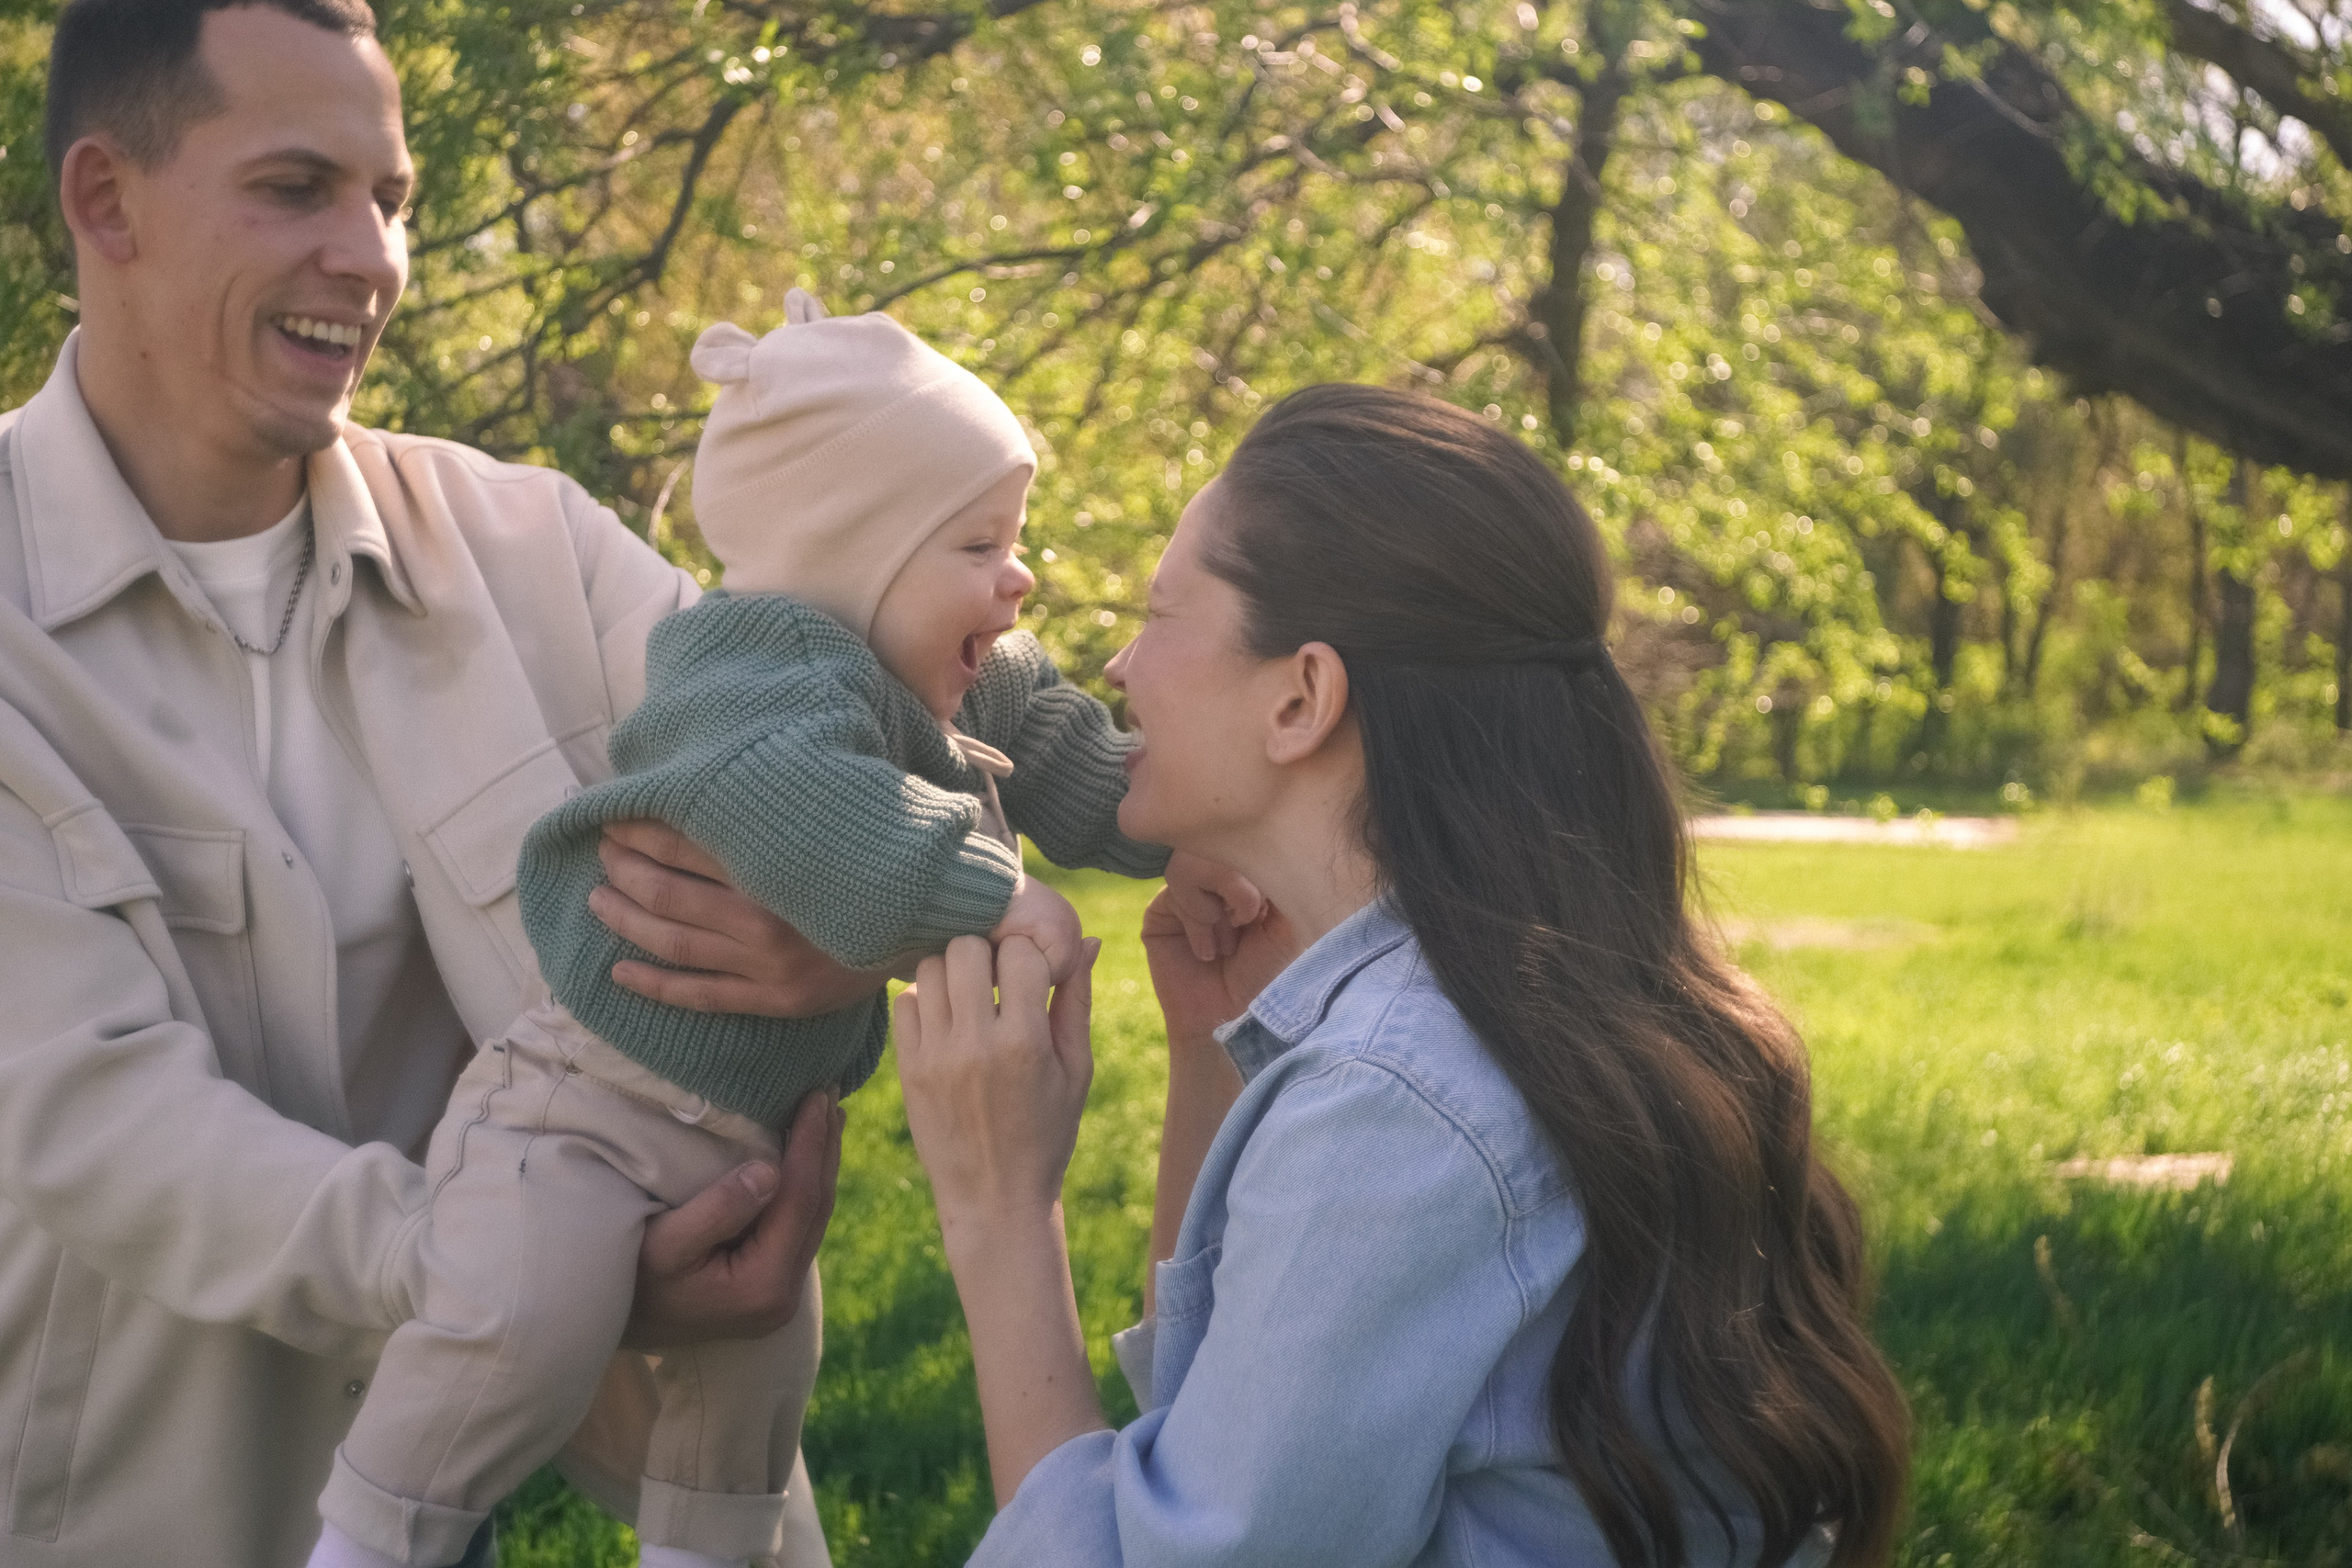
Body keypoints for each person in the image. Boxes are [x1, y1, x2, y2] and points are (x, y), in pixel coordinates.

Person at [0, 3, 870, 1562]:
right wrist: (532, 1265)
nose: (373, 257)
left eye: (390, 200)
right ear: (103, 200)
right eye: (295, 189)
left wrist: (838, 935)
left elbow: (835, 741)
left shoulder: (527, 545)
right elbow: (87, 1112)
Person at [892, 384, 1914, 1566]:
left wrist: (999, 1208)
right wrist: (1202, 1060)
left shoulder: (1402, 1098)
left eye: (1160, 612)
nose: (1120, 664)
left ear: (1301, 697)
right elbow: (1208, 1448)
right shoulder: (1493, 1018)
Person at [309, 293, 1231, 1568]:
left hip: (742, 1133)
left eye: (1015, 539)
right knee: (521, 1319)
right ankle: (371, 1536)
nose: (1020, 577)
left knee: (749, 1404)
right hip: (585, 1112)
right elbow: (834, 828)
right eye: (979, 543)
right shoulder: (749, 670)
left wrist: (1216, 820)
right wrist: (999, 892)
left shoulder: (954, 662)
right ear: (856, 553)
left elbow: (1076, 760)